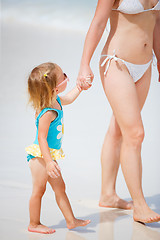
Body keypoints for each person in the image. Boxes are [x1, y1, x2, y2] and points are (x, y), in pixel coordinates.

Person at [77, 0, 160, 224]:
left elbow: (157, 23)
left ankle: (108, 194)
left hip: (144, 67)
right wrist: (84, 65)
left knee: (119, 128)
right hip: (116, 63)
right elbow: (98, 24)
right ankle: (140, 205)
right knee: (135, 134)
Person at [25, 62, 90, 234]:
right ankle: (34, 223)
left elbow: (69, 98)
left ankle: (71, 220)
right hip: (40, 157)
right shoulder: (47, 112)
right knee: (39, 190)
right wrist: (48, 162)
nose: (65, 77)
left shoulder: (57, 100)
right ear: (54, 88)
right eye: (63, 76)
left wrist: (80, 87)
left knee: (60, 188)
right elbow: (41, 138)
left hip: (49, 157)